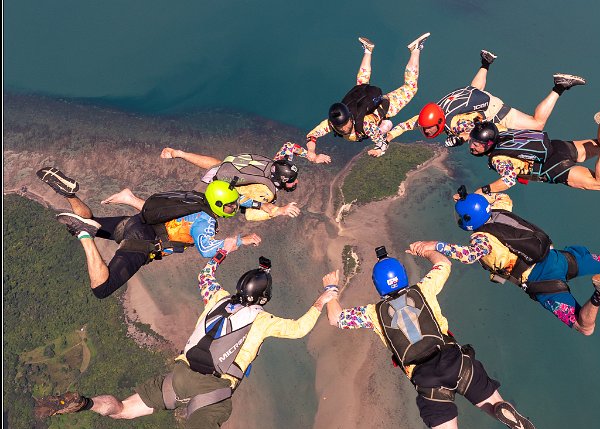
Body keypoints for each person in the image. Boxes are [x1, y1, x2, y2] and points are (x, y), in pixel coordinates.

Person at [35, 251, 340, 429]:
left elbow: (204, 275)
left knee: (123, 409)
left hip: (180, 375)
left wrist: (222, 252)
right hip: (214, 386)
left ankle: (84, 403)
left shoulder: (217, 298)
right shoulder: (263, 320)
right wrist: (325, 297)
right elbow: (299, 329)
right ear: (264, 298)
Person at [324, 243, 538, 429]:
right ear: (404, 275)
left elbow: (335, 318)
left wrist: (331, 289)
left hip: (427, 381)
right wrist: (424, 250)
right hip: (455, 360)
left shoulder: (372, 314)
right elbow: (444, 263)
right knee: (493, 403)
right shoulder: (424, 289)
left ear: (377, 285)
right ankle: (505, 412)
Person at [413, 189, 600, 335]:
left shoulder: (481, 240)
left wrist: (434, 245)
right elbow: (497, 196)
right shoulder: (500, 208)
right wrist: (471, 197)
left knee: (584, 328)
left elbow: (468, 255)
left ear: (467, 221)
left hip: (540, 281)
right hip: (557, 258)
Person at [36, 164, 262, 299]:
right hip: (143, 242)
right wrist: (239, 241)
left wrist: (259, 204)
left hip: (136, 222)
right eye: (231, 206)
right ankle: (83, 234)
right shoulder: (205, 221)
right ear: (219, 205)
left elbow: (233, 197)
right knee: (102, 289)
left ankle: (70, 195)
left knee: (92, 220)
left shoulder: (197, 200)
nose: (234, 208)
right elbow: (206, 249)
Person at [386, 49, 588, 149]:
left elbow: (470, 129)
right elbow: (404, 125)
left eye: (428, 129)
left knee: (537, 124)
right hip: (472, 94)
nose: (426, 131)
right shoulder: (431, 114)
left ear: (438, 122)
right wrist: (386, 139)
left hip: (494, 109)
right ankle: (486, 62)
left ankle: (559, 86)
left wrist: (458, 139)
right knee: (475, 89)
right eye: (425, 128)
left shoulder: (453, 123)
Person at [466, 98, 600, 193]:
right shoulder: (499, 131)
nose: (472, 146)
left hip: (552, 167)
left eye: (476, 144)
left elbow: (509, 180)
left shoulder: (498, 159)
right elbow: (480, 123)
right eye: (472, 141)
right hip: (555, 146)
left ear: (488, 143)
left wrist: (483, 190)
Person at [306, 33, 430, 161]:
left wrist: (379, 150)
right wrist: (312, 153)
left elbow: (382, 143)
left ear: (350, 118)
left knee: (410, 88)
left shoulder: (366, 125)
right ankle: (367, 50)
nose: (343, 129)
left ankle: (415, 49)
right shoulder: (332, 123)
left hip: (385, 107)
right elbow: (312, 136)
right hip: (365, 104)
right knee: (361, 85)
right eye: (340, 127)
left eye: (344, 124)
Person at [157, 145, 321, 220]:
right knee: (205, 210)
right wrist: (279, 211)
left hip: (228, 167)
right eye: (292, 181)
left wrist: (310, 155)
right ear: (280, 181)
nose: (296, 181)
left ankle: (180, 153)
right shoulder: (265, 190)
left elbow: (289, 147)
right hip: (222, 186)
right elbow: (249, 213)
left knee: (218, 165)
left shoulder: (276, 163)